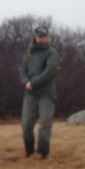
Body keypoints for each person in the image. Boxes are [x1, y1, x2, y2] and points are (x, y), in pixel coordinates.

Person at [19, 25, 60, 159]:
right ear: (35, 38)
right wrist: (26, 81)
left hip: (46, 93)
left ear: (48, 37)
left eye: (44, 36)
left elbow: (50, 71)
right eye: (40, 36)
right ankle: (29, 149)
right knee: (26, 124)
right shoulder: (29, 53)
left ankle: (42, 151)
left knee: (45, 123)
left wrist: (34, 83)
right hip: (30, 93)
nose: (42, 39)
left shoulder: (51, 52)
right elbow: (22, 69)